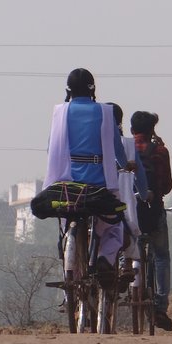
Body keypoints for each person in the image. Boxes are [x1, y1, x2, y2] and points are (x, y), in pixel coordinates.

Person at [43, 68, 129, 287]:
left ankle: (67, 288)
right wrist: (125, 164)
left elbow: (50, 148)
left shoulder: (60, 112)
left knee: (65, 228)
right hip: (98, 185)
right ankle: (104, 259)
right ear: (93, 89)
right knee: (114, 227)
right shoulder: (106, 112)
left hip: (66, 185)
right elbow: (118, 150)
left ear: (68, 90)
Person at [131, 111, 172, 331]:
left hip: (132, 216)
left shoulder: (126, 151)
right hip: (155, 212)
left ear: (132, 130)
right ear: (152, 131)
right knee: (162, 257)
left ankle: (129, 288)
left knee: (130, 252)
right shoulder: (160, 151)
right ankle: (160, 306)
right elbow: (167, 185)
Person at [107, 103, 149, 291]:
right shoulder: (129, 146)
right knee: (129, 226)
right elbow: (139, 176)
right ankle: (127, 264)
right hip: (123, 204)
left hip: (95, 198)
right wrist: (145, 193)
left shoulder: (96, 142)